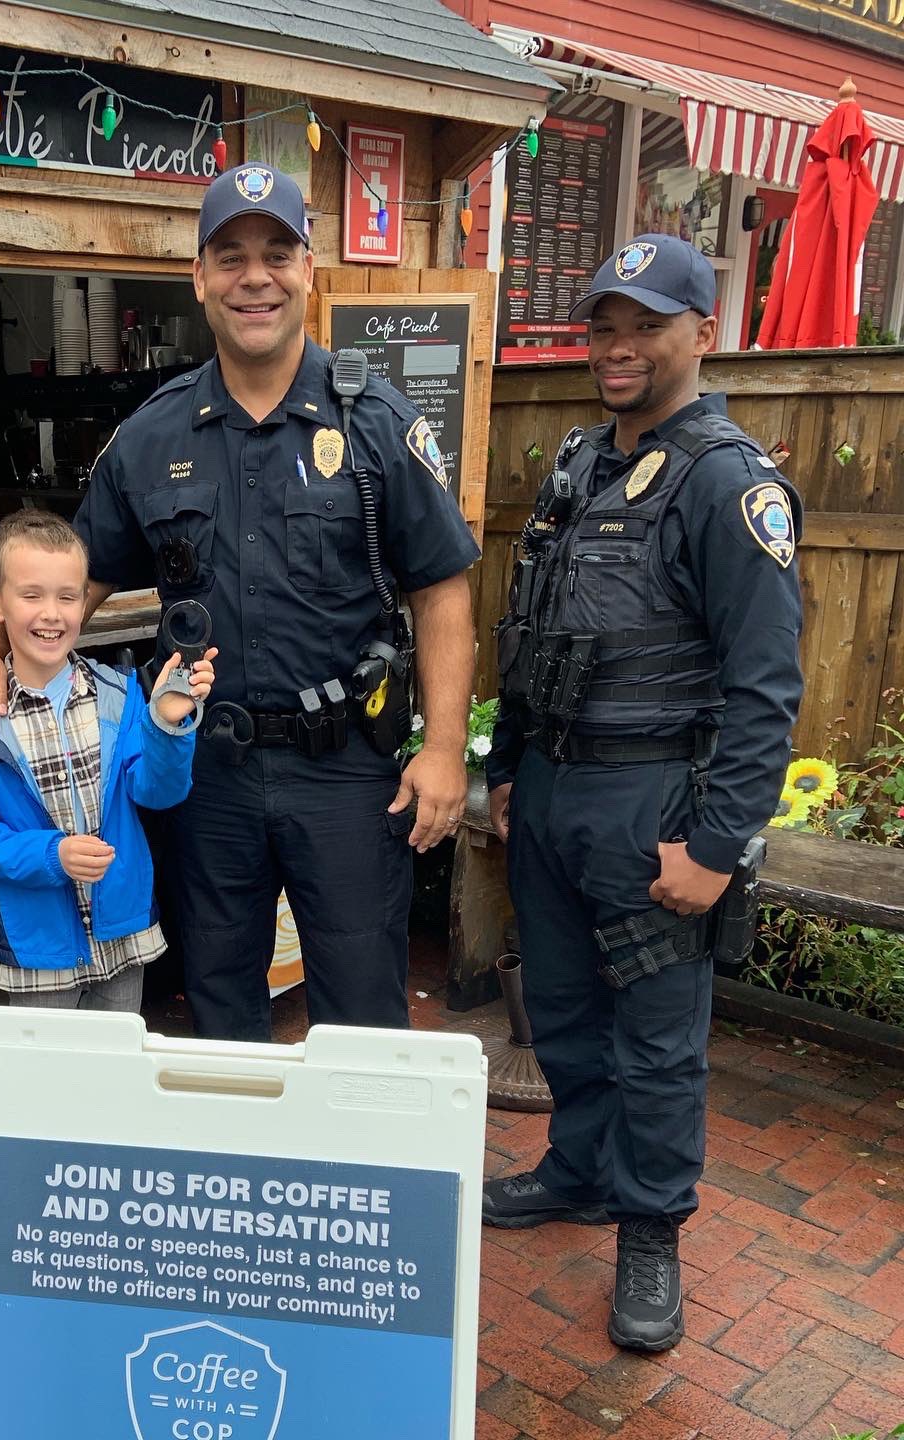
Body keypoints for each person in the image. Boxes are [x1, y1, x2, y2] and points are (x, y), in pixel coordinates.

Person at [0, 164, 481, 1041]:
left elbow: (441, 589)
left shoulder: (376, 421)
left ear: (309, 269)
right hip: (204, 772)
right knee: (221, 999)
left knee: (363, 1008)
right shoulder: (152, 435)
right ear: (200, 278)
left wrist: (447, 747)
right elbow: (75, 582)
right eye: (230, 257)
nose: (254, 277)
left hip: (344, 769)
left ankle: (352, 1177)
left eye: (277, 253)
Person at [483, 234, 804, 1352]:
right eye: (604, 326)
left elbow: (767, 688)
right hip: (557, 793)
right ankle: (577, 1170)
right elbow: (534, 632)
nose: (618, 347)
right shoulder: (579, 463)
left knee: (658, 1041)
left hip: (655, 801)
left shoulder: (729, 485)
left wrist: (717, 849)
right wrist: (508, 768)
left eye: (647, 325)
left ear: (702, 334)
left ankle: (651, 1230)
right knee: (563, 1010)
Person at [0, 510, 215, 1010]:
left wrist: (168, 725)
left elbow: (158, 791)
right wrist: (53, 855)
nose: (52, 613)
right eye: (32, 595)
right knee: (46, 1080)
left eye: (68, 597)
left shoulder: (119, 694)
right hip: (38, 946)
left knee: (111, 1072)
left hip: (122, 930)